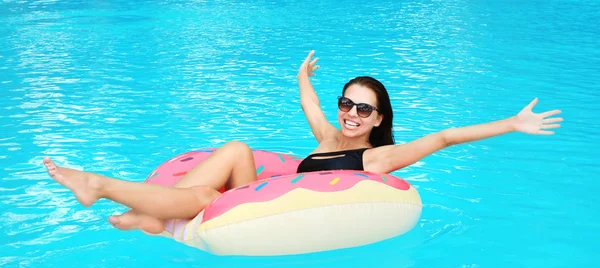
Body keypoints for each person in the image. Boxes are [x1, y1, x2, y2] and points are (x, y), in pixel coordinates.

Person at [43, 50, 563, 234]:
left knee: (206, 199)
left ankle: (107, 189)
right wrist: (302, 75)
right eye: (347, 103)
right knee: (237, 149)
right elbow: (310, 107)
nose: (351, 114)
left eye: (363, 108)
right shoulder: (328, 133)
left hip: (263, 211)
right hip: (254, 197)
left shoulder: (379, 155)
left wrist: (510, 124)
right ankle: (149, 215)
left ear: (379, 117)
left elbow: (445, 136)